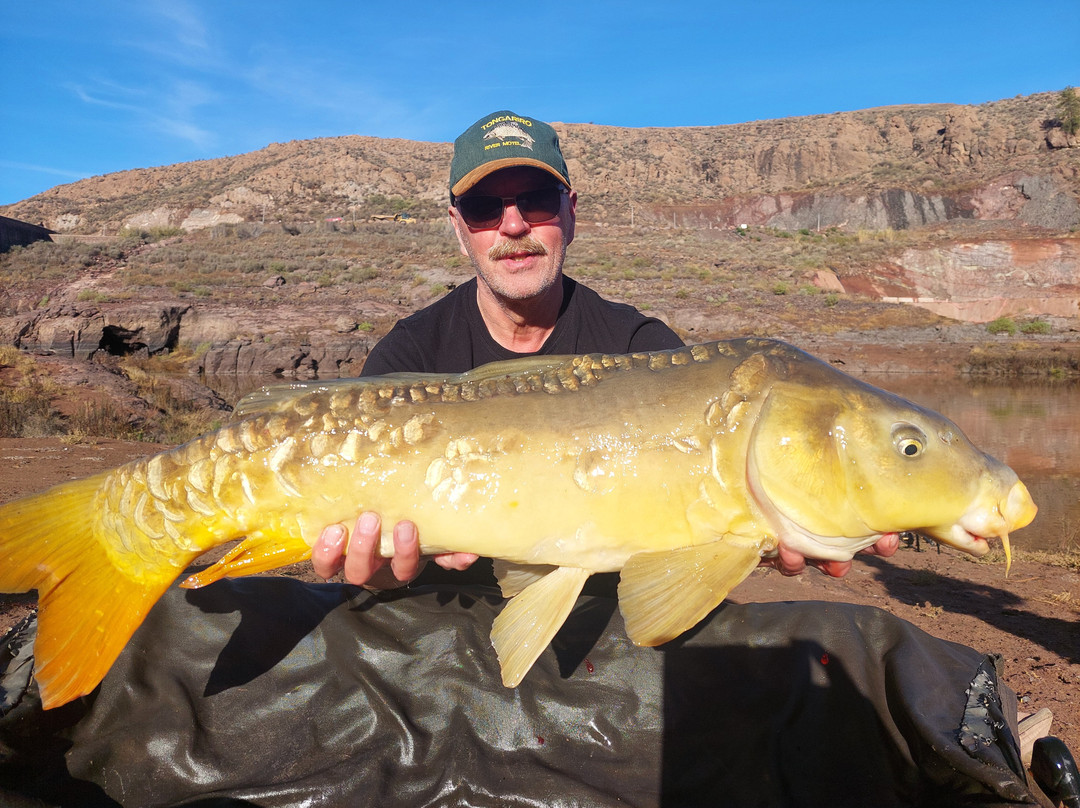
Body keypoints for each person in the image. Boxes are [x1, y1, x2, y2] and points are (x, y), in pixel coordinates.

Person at [309, 109, 899, 589]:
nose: (513, 226)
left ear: (570, 213)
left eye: (537, 200)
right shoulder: (409, 354)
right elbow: (373, 571)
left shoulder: (642, 350)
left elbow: (705, 527)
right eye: (486, 209)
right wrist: (379, 575)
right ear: (459, 229)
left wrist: (758, 537)